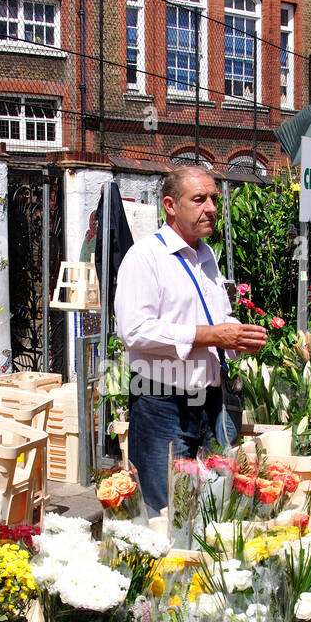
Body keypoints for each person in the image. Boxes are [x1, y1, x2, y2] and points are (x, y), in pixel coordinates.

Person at [114, 166, 266, 514]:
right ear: (170, 205)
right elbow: (133, 329)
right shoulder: (145, 258)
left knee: (206, 511)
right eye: (199, 199)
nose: (211, 208)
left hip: (207, 401)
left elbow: (217, 314)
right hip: (161, 403)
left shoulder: (206, 255)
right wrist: (210, 335)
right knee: (165, 511)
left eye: (213, 199)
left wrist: (236, 335)